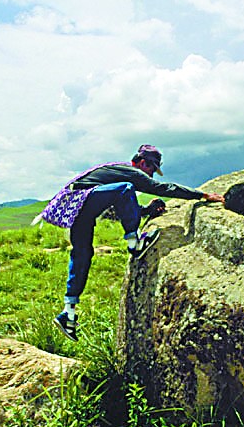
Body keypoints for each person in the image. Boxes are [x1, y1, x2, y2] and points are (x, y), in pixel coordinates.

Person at [37, 144, 225, 341]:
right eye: (151, 169)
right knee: (126, 189)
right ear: (143, 163)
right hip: (79, 200)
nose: (151, 175)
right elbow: (162, 188)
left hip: (77, 206)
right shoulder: (129, 172)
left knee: (83, 255)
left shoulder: (115, 173)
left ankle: (68, 313)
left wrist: (145, 211)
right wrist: (202, 195)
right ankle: (135, 244)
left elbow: (116, 210)